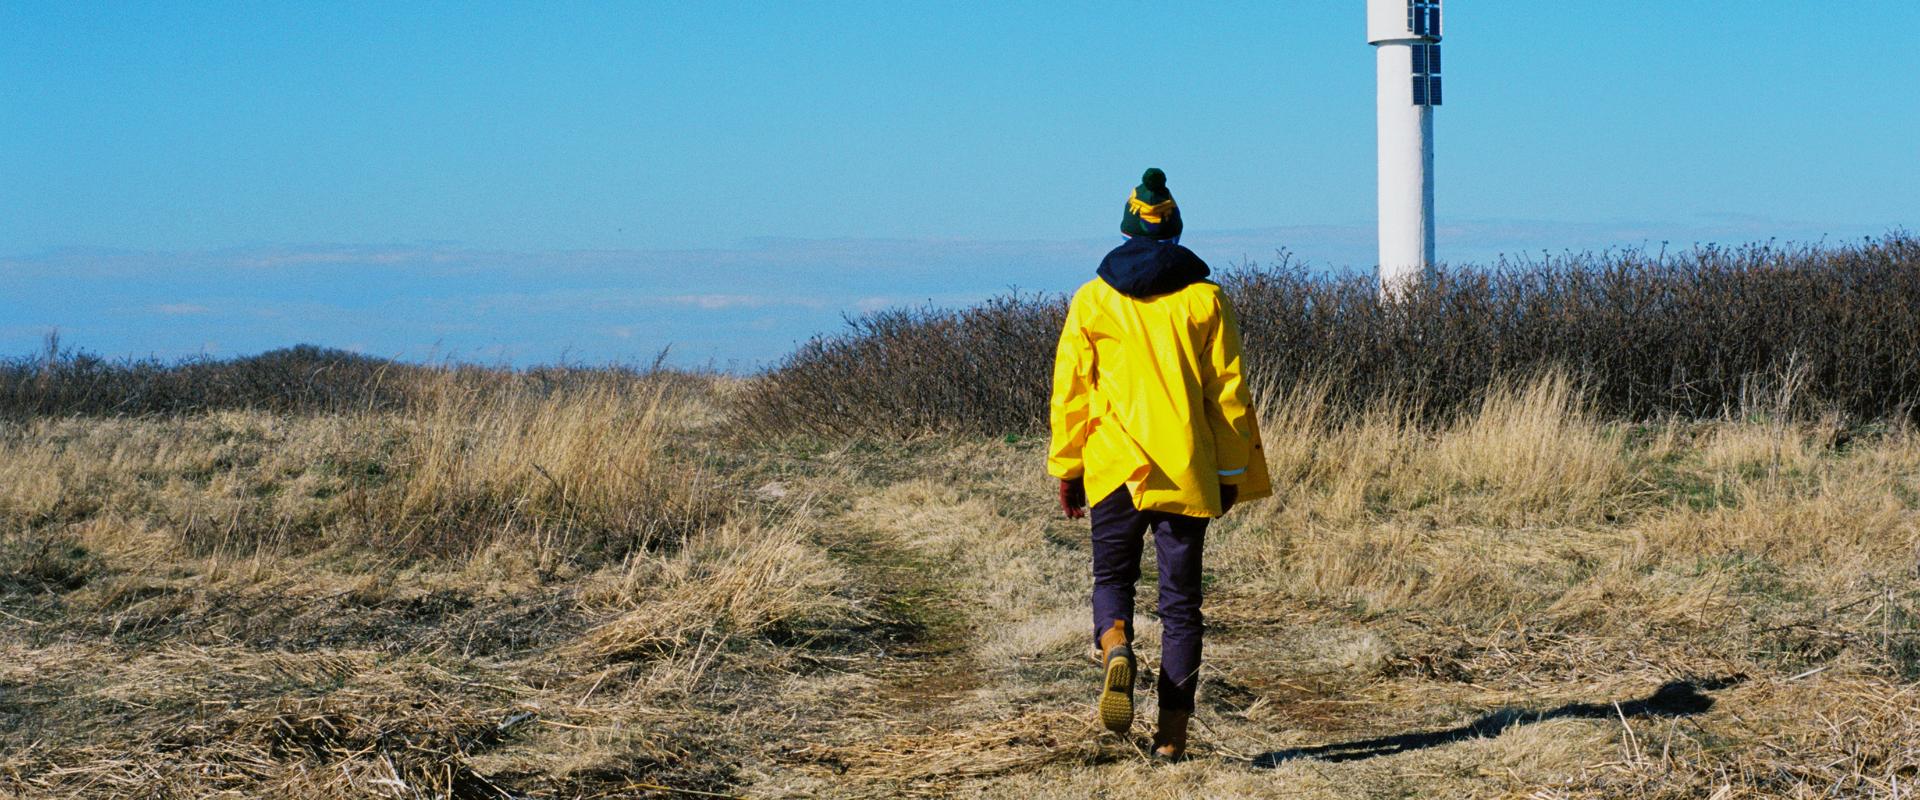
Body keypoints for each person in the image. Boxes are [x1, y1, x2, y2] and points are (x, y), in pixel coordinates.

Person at [1047, 167, 1271, 760]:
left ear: (1125, 232)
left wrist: (1069, 468)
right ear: (1174, 231)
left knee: (1112, 580)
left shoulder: (1093, 298)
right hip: (1187, 468)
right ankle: (1172, 737)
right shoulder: (1206, 298)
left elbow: (1070, 390)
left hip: (1115, 464)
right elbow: (1228, 394)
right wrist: (1230, 476)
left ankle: (1116, 641)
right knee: (1180, 605)